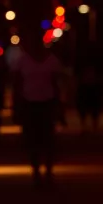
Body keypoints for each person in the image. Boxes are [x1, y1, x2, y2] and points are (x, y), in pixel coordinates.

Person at [10, 31, 64, 186]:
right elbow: (17, 83)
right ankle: (36, 171)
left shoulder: (51, 60)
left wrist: (58, 104)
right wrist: (16, 104)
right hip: (29, 102)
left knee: (48, 138)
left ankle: (47, 170)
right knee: (32, 138)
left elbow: (56, 83)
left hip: (47, 102)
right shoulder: (22, 61)